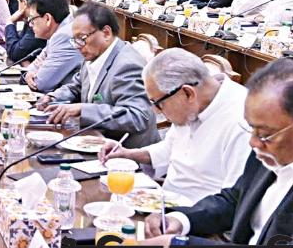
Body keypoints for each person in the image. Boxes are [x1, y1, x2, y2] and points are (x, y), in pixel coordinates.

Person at [140, 59, 293, 248]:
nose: (253, 142)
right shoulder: (269, 152)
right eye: (252, 129)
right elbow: (233, 200)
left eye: (264, 134)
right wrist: (180, 220)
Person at [98, 48, 252, 202]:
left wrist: (178, 215)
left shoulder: (243, 122)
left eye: (158, 103)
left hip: (199, 211)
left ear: (188, 93)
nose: (156, 111)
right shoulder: (192, 103)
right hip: (164, 200)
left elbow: (234, 200)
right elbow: (170, 148)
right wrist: (128, 154)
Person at [38, 3, 159, 148]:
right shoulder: (95, 54)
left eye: (82, 38)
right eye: (75, 40)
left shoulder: (127, 65)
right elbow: (77, 86)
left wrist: (83, 110)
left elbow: (137, 117)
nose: (78, 46)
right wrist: (53, 97)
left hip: (127, 153)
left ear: (106, 33)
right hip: (96, 142)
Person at [22, 0, 83, 93]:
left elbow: (41, 83)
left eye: (32, 19)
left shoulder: (64, 36)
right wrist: (29, 73)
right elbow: (37, 63)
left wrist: (31, 75)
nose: (30, 25)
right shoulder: (59, 30)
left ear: (47, 19)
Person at [5, 0, 49, 64]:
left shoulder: (38, 22)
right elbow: (19, 49)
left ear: (24, 3)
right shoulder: (34, 18)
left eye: (18, 2)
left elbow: (14, 53)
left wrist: (9, 22)